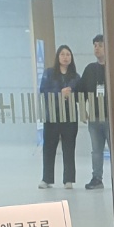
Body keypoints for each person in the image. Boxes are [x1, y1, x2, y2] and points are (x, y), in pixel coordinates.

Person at [39, 44, 81, 189]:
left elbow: (80, 95)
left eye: (68, 54)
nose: (65, 57)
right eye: (62, 54)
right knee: (49, 148)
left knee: (69, 148)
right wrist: (59, 94)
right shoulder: (49, 73)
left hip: (69, 117)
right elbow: (43, 91)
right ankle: (46, 179)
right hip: (52, 116)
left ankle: (68, 180)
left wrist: (71, 95)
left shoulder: (75, 77)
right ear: (58, 57)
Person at [80, 34, 108, 190]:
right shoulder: (90, 69)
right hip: (95, 117)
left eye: (100, 45)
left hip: (111, 118)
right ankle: (97, 179)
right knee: (96, 151)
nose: (97, 48)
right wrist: (83, 110)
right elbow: (81, 91)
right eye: (95, 45)